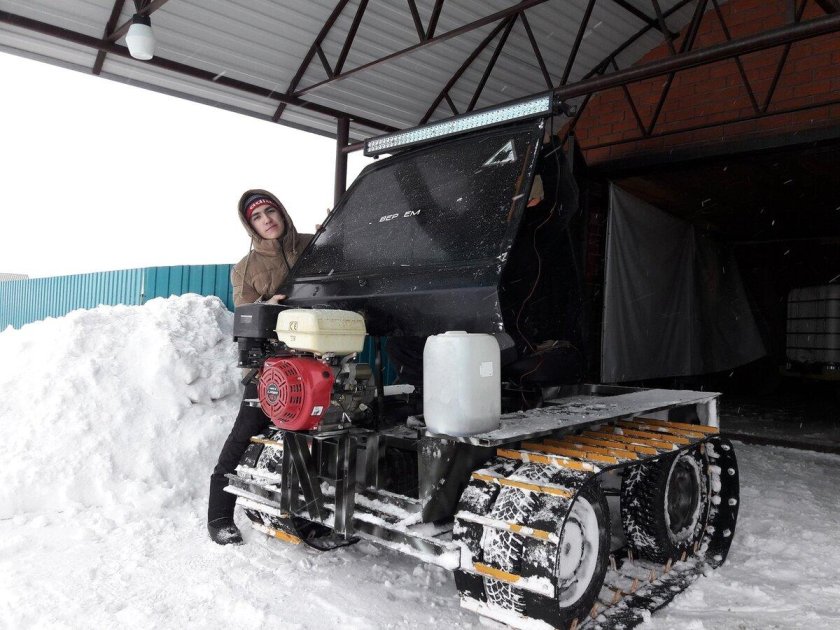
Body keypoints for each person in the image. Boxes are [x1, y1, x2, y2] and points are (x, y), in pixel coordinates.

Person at [207, 189, 313, 545]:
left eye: (271, 211)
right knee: (245, 432)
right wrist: (268, 304)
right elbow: (245, 320)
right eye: (257, 216)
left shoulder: (315, 245)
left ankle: (311, 511)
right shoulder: (246, 268)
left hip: (320, 361)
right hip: (273, 367)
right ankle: (219, 515)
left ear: (282, 212)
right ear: (249, 224)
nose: (267, 219)